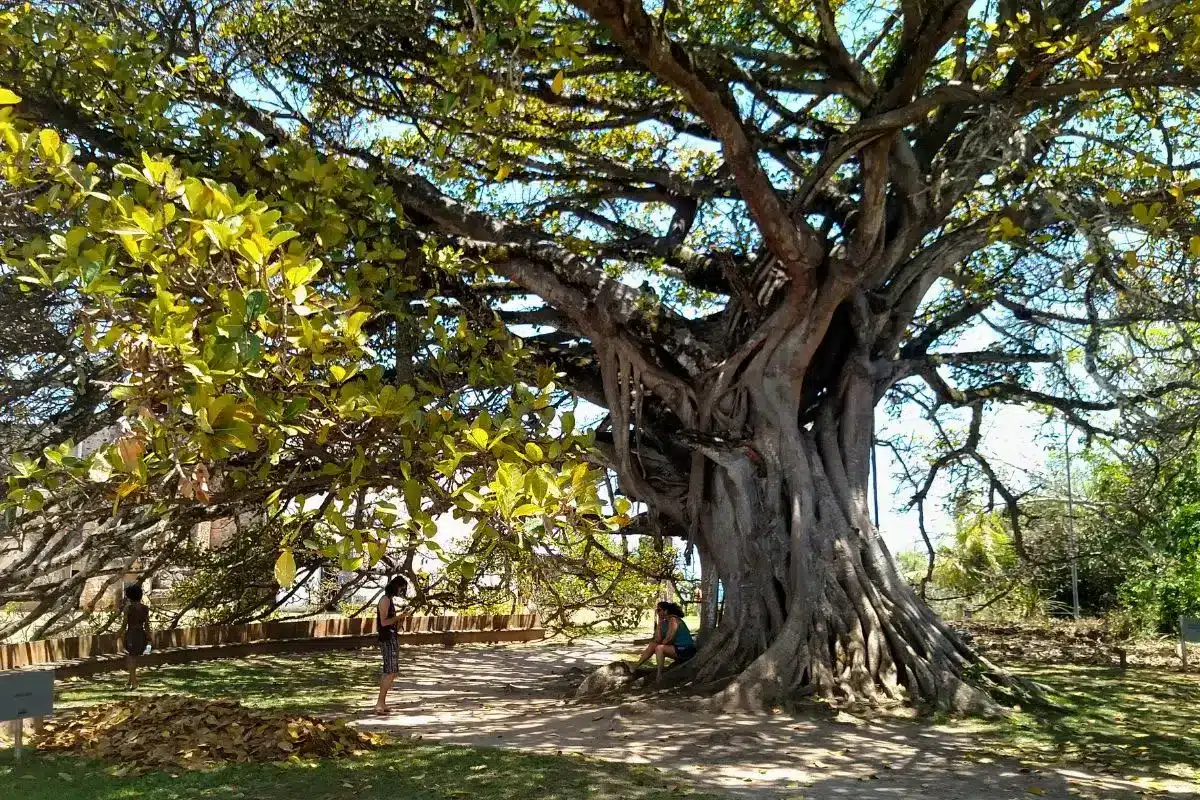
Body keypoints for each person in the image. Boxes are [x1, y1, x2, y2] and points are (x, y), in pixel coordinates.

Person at [633, 601, 695, 679]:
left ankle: (659, 675)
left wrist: (660, 644)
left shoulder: (673, 619)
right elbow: (657, 639)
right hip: (676, 648)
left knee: (659, 648)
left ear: (666, 611)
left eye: (659, 610)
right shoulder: (664, 621)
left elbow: (669, 639)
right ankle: (635, 667)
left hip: (686, 649)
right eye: (656, 610)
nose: (657, 612)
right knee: (653, 645)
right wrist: (659, 624)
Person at [374, 575, 407, 714]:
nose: (402, 592)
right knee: (390, 672)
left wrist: (399, 618)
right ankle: (379, 704)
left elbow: (390, 620)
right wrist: (400, 616)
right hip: (387, 639)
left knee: (391, 672)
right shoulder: (385, 600)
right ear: (396, 586)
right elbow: (384, 622)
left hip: (391, 637)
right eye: (402, 589)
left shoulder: (389, 600)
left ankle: (382, 703)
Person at [119, 583, 151, 690]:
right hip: (142, 634)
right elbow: (147, 624)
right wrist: (149, 637)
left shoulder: (128, 608)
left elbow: (124, 624)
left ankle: (134, 683)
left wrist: (119, 634)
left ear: (129, 596)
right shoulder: (145, 608)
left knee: (131, 659)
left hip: (132, 634)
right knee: (134, 658)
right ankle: (129, 681)